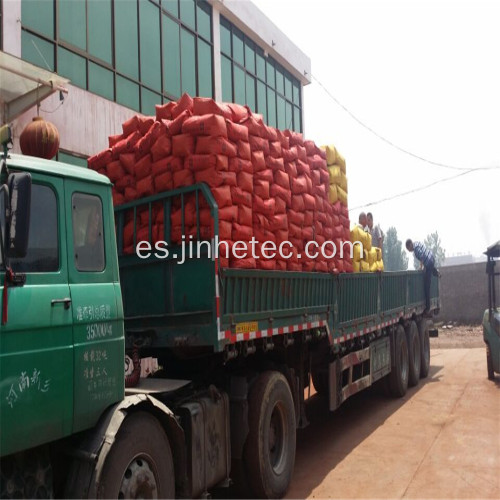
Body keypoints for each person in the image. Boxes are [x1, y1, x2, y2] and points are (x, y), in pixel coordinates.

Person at [406, 239, 440, 316]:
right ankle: (436, 272)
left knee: (426, 286)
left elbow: (422, 256)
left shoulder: (416, 249)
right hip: (431, 258)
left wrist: (422, 267)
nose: (410, 251)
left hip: (428, 262)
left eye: (409, 249)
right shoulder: (417, 242)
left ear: (410, 245)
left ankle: (427, 308)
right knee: (430, 267)